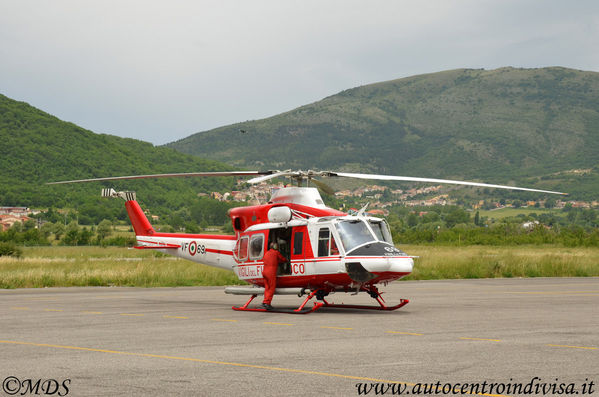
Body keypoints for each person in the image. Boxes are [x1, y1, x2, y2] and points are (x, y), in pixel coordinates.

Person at [261, 242, 287, 310]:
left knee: (267, 288)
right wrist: (287, 260)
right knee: (272, 288)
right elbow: (282, 259)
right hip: (270, 273)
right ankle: (267, 303)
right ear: (275, 247)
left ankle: (264, 301)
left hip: (264, 272)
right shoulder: (276, 253)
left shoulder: (266, 253)